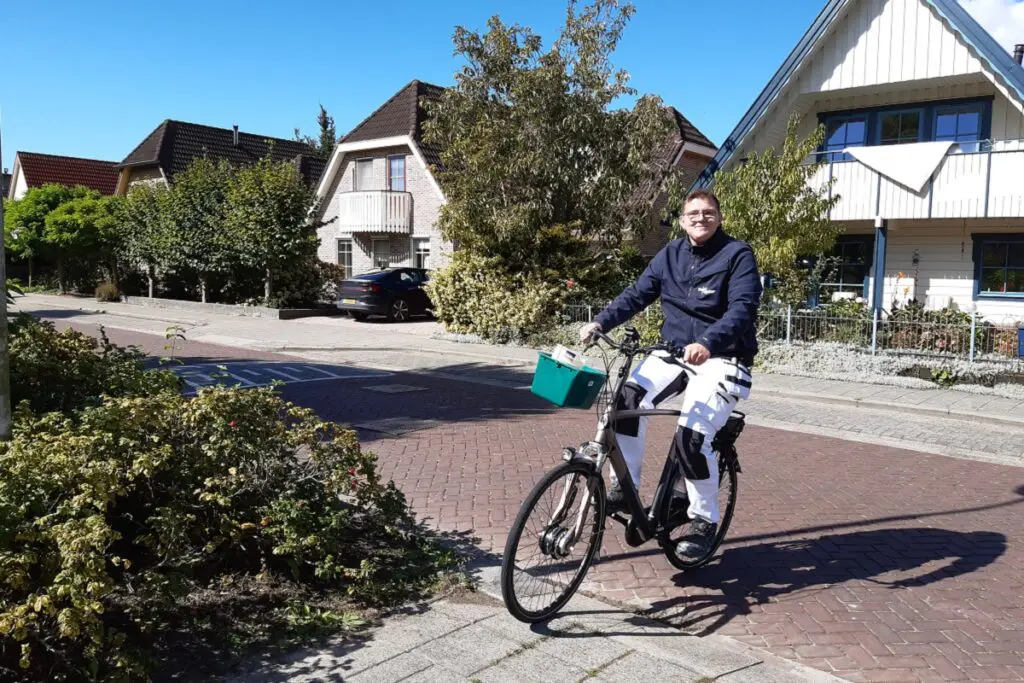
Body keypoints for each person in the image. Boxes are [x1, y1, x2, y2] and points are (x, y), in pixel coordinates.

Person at [579, 189, 762, 560]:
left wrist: (709, 341)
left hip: (722, 357)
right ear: (682, 220)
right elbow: (637, 294)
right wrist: (600, 322)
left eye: (708, 212)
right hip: (673, 352)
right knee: (626, 401)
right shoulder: (671, 254)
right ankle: (621, 486)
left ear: (719, 217)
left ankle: (702, 520)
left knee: (692, 435)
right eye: (693, 213)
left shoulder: (737, 255)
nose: (700, 218)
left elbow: (744, 308)